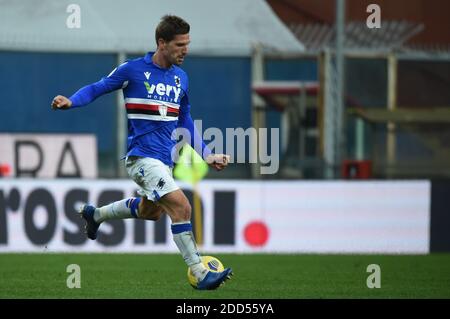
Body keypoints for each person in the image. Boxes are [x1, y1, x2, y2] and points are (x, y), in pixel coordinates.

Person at [51, 15, 232, 290]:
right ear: (162, 43)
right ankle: (200, 271)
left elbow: (185, 120)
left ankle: (95, 215)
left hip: (164, 161)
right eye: (180, 44)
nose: (186, 50)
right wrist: (71, 101)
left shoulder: (181, 78)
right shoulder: (132, 70)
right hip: (141, 158)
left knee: (151, 212)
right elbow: (97, 88)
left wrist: (206, 154)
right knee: (182, 206)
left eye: (188, 44)